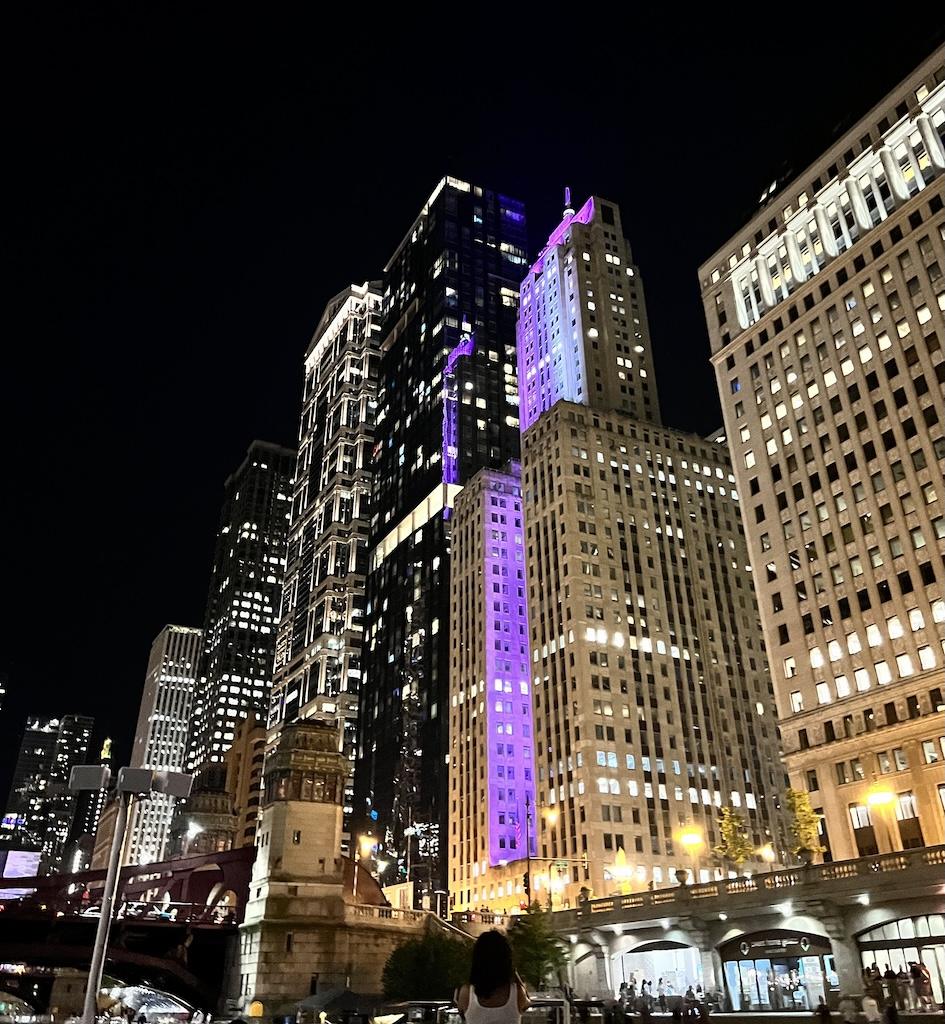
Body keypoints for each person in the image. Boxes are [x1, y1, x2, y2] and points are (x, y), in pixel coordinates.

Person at [456, 931, 530, 1024]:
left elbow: (461, 1012)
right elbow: (527, 1003)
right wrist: (514, 973)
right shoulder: (517, 993)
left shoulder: (466, 993)